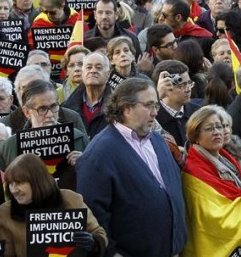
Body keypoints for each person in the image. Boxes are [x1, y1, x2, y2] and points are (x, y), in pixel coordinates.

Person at [76, 78, 187, 256]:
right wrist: (112, 253)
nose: (155, 113)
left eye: (156, 106)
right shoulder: (99, 154)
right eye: (149, 105)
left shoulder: (158, 140)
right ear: (126, 108)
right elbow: (93, 214)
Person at [181, 105, 241, 255]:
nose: (217, 132)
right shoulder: (193, 170)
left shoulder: (226, 158)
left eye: (219, 126)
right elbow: (211, 217)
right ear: (196, 135)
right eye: (209, 129)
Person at [0, 154, 108, 256]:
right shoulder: (4, 213)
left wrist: (93, 242)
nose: (14, 190)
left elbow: (100, 233)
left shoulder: (70, 199)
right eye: (11, 184)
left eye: (20, 183)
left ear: (37, 182)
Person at [0, 80, 89, 191]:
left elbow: (95, 183)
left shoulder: (79, 139)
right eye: (42, 109)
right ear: (27, 112)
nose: (50, 115)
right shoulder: (8, 147)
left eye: (54, 107)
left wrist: (85, 164)